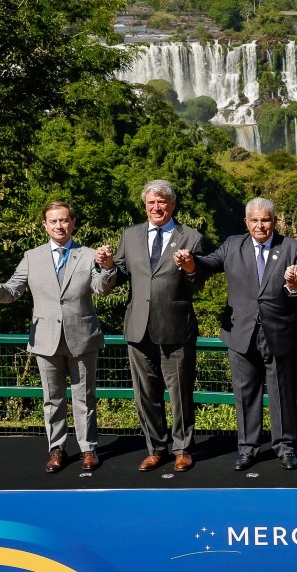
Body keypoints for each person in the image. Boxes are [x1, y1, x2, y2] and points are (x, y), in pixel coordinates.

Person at [174, 197, 297, 471]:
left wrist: (294, 285)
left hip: (280, 332)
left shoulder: (291, 246)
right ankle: (248, 448)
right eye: (255, 220)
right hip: (240, 331)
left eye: (266, 219)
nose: (261, 225)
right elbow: (208, 263)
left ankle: (285, 447)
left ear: (274, 221)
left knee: (283, 392)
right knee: (245, 394)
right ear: (246, 222)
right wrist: (189, 262)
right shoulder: (233, 244)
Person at [0, 202, 108, 472]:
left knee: (85, 397)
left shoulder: (89, 254)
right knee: (52, 398)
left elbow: (101, 288)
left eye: (64, 220)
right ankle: (56, 449)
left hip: (82, 338)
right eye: (53, 221)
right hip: (45, 339)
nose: (59, 226)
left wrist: (107, 267)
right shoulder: (31, 257)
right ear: (45, 226)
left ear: (73, 222)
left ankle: (88, 450)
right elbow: (12, 291)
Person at [95, 180, 206, 472]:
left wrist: (191, 267)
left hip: (176, 326)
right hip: (138, 326)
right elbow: (117, 275)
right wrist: (107, 265)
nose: (156, 207)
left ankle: (182, 449)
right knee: (146, 393)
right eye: (151, 203)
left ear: (172, 205)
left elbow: (200, 282)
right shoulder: (130, 235)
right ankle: (155, 448)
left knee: (180, 393)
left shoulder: (191, 236)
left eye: (162, 202)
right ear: (145, 205)